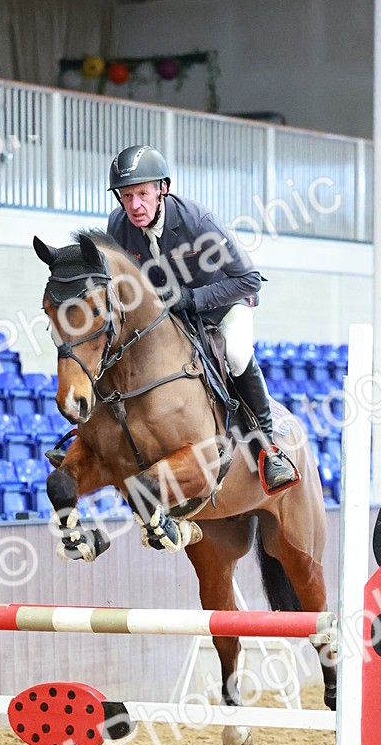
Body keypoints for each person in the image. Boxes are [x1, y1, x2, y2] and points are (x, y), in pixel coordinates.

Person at [106, 144, 296, 493]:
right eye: (127, 195)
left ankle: (268, 450)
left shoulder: (198, 223)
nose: (134, 205)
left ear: (162, 189)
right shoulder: (118, 225)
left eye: (143, 194)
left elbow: (248, 279)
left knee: (236, 354)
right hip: (172, 311)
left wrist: (194, 299)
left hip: (225, 302)